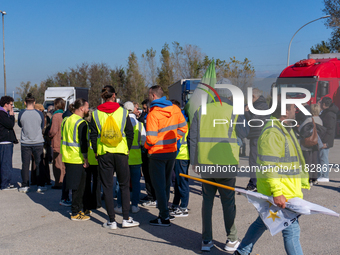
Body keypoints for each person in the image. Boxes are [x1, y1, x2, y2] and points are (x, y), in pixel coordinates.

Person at [234, 102, 310, 255]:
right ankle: (242, 252)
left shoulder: (283, 130)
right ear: (286, 112)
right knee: (292, 232)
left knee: (261, 222)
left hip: (286, 190)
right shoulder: (273, 133)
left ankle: (241, 252)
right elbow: (269, 165)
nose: (295, 111)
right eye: (293, 108)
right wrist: (277, 192)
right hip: (282, 192)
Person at [189, 87, 247, 252]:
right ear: (229, 95)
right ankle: (231, 239)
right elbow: (244, 132)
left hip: (206, 163)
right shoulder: (234, 112)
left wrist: (194, 161)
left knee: (207, 202)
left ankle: (206, 240)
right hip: (227, 164)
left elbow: (193, 137)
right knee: (228, 202)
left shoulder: (201, 111)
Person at [90, 85, 139, 229]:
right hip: (121, 153)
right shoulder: (123, 112)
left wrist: (96, 152)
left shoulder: (95, 113)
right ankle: (125, 218)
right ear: (114, 95)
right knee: (124, 185)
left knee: (107, 186)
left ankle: (111, 220)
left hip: (104, 153)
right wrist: (127, 148)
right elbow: (130, 133)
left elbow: (93, 135)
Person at [145, 85, 188, 227]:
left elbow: (150, 139)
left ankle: (163, 217)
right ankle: (165, 213)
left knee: (159, 186)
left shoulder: (153, 114)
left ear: (153, 96)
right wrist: (174, 139)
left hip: (157, 154)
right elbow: (184, 128)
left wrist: (145, 147)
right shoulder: (175, 109)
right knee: (165, 185)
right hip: (171, 153)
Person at [61, 98, 90, 221]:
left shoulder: (66, 120)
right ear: (82, 108)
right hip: (77, 158)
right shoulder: (81, 123)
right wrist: (86, 159)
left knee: (73, 186)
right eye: (87, 107)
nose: (88, 110)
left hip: (67, 157)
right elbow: (83, 144)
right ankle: (75, 212)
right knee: (79, 188)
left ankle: (76, 209)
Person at [115, 101, 146, 214]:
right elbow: (143, 141)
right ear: (133, 109)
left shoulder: (120, 123)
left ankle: (119, 205)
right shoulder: (140, 125)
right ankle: (134, 205)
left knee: (121, 183)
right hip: (136, 158)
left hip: (123, 158)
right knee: (136, 183)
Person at [18, 93, 46, 193]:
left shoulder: (21, 113)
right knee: (39, 164)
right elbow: (42, 126)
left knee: (25, 164)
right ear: (34, 102)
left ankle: (25, 184)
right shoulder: (39, 114)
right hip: (38, 141)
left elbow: (20, 125)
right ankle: (40, 185)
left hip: (25, 142)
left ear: (25, 102)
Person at [244, 88, 269, 191]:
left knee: (254, 160)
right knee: (256, 160)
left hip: (257, 135)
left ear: (253, 96)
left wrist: (246, 112)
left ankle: (254, 183)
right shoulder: (260, 104)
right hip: (258, 134)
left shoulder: (260, 106)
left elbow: (253, 120)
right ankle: (255, 181)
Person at [169, 99, 190, 217]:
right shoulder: (179, 119)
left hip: (182, 155)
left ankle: (184, 207)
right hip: (177, 155)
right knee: (177, 183)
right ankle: (176, 205)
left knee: (182, 183)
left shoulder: (183, 120)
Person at [298, 104, 325, 186]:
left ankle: (308, 179)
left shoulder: (309, 119)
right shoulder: (320, 120)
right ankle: (314, 178)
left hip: (308, 143)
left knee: (308, 161)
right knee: (314, 161)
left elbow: (301, 129)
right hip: (316, 143)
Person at [139, 98, 157, 207]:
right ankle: (151, 195)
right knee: (148, 176)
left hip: (149, 150)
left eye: (145, 108)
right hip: (148, 150)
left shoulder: (150, 117)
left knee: (150, 175)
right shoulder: (144, 117)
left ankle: (152, 198)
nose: (144, 110)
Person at [84, 108, 102, 211]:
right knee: (97, 182)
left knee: (87, 182)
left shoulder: (85, 126)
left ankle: (87, 201)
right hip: (96, 156)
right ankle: (97, 202)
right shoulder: (97, 127)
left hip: (87, 157)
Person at [318, 97, 339, 182]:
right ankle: (322, 174)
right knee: (322, 157)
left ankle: (324, 175)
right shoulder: (328, 112)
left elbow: (330, 129)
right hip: (325, 139)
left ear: (324, 104)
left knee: (324, 158)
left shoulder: (329, 114)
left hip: (325, 140)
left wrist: (324, 141)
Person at [0, 96, 18, 190]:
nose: (12, 106)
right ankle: (5, 184)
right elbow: (10, 124)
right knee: (6, 164)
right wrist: (11, 116)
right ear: (6, 104)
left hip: (4, 142)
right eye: (11, 104)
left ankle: (4, 182)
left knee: (4, 163)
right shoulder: (2, 114)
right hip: (4, 143)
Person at [49, 98, 66, 189]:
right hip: (65, 142)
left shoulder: (56, 116)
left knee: (57, 163)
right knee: (63, 164)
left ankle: (59, 182)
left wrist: (48, 134)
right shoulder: (65, 114)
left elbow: (54, 130)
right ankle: (63, 180)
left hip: (57, 142)